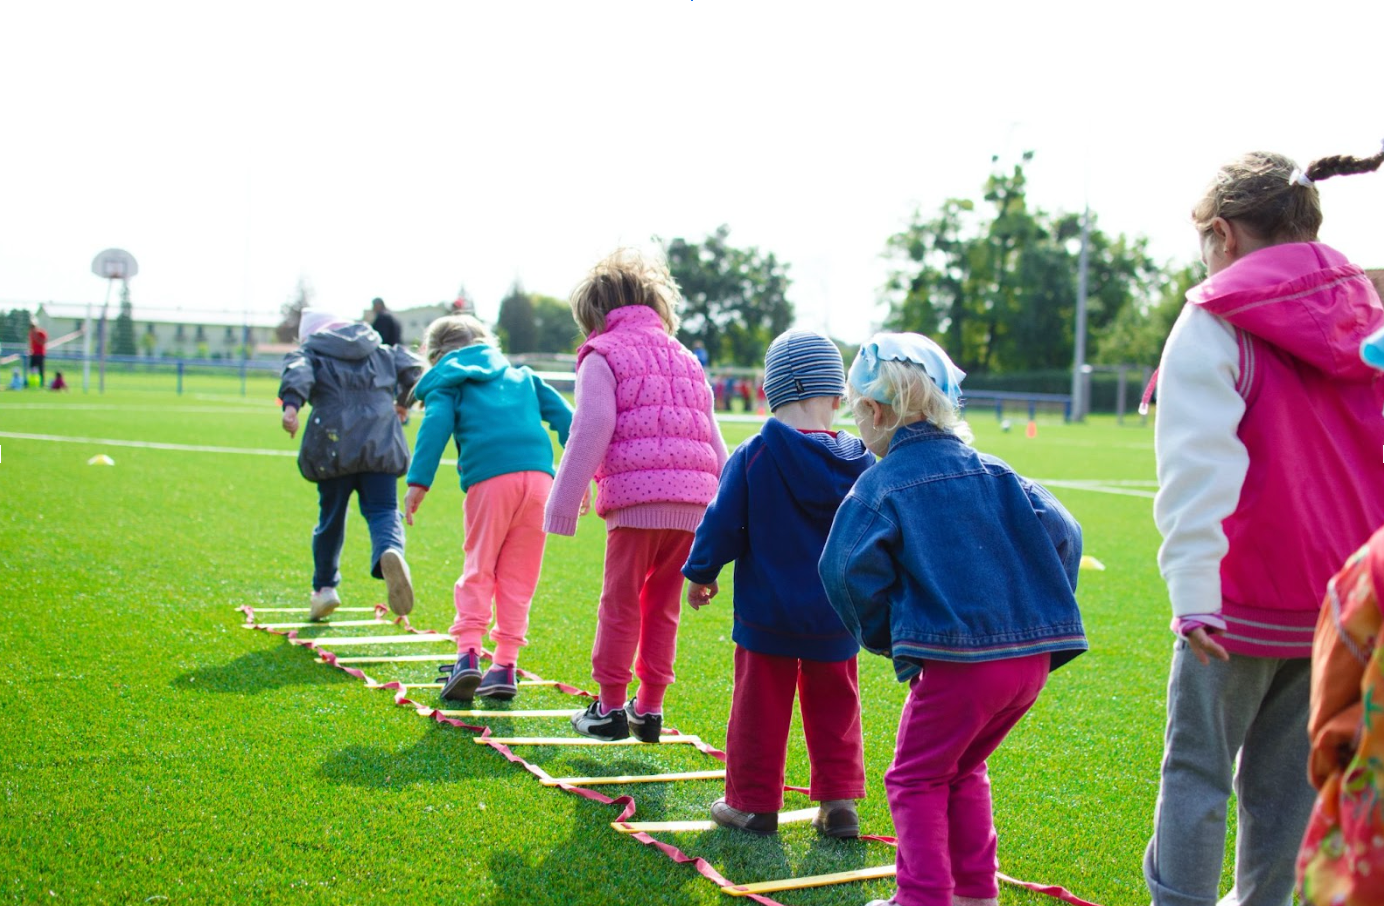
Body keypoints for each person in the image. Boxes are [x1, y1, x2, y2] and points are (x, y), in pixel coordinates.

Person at [1143, 148, 1384, 906]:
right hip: (1343, 607)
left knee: (1197, 772)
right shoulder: (1369, 313)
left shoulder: (1214, 318)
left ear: (1223, 234)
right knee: (1290, 788)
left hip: (1237, 602)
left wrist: (1193, 595)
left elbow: (1196, 470)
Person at [819, 333, 1086, 906]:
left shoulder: (881, 483)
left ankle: (923, 898)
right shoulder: (997, 470)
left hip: (960, 667)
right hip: (1029, 665)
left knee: (913, 778)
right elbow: (1067, 532)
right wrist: (1038, 611)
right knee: (963, 768)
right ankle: (974, 893)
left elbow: (842, 569)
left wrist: (889, 636)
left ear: (874, 411)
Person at [683, 329, 874, 838]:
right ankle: (839, 804)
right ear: (837, 396)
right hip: (837, 615)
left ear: (768, 393)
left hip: (766, 614)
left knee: (758, 709)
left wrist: (701, 573)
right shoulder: (863, 461)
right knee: (837, 707)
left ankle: (753, 803)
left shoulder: (754, 454)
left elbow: (722, 522)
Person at [544, 248, 728, 741]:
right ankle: (649, 708)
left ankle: (607, 709)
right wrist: (728, 514)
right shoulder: (686, 357)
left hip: (636, 502)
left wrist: (564, 501)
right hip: (694, 505)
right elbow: (713, 438)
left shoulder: (601, 354)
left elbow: (594, 424)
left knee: (620, 602)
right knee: (662, 606)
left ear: (594, 315)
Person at [403, 314, 574, 702]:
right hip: (540, 482)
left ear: (436, 355)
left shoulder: (450, 381)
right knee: (520, 576)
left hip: (491, 480)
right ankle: (505, 666)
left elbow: (436, 424)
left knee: (479, 566)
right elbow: (570, 420)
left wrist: (418, 482)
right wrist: (582, 475)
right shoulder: (524, 376)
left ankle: (467, 656)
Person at [279, 308, 424, 621]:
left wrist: (291, 406)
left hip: (333, 444)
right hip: (382, 441)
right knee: (384, 510)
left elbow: (298, 372)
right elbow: (414, 369)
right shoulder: (379, 349)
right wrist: (402, 402)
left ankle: (325, 589)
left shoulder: (312, 352)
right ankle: (391, 551)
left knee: (331, 517)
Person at [28, 320, 47, 388]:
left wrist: (36, 336)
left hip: (40, 354)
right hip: (33, 354)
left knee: (41, 370)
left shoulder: (41, 333)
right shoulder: (31, 333)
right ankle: (32, 383)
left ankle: (42, 384)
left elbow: (43, 342)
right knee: (32, 369)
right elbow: (31, 344)